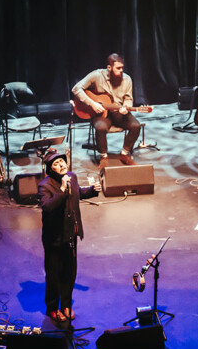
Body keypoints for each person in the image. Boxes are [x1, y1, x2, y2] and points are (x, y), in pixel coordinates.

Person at [38, 151, 101, 322]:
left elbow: (77, 193)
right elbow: (48, 207)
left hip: (70, 234)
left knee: (69, 272)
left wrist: (92, 191)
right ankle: (52, 308)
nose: (61, 165)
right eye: (56, 164)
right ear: (50, 169)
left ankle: (66, 305)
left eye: (62, 162)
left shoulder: (71, 177)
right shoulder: (45, 185)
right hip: (54, 238)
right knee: (53, 275)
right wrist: (62, 190)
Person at [72, 53, 141, 169]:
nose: (121, 70)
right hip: (100, 112)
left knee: (136, 126)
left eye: (122, 67)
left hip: (118, 112)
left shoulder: (127, 79)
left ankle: (124, 154)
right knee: (101, 127)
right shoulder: (97, 75)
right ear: (109, 68)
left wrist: (126, 107)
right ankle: (103, 157)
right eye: (118, 68)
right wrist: (92, 103)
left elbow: (129, 99)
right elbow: (76, 89)